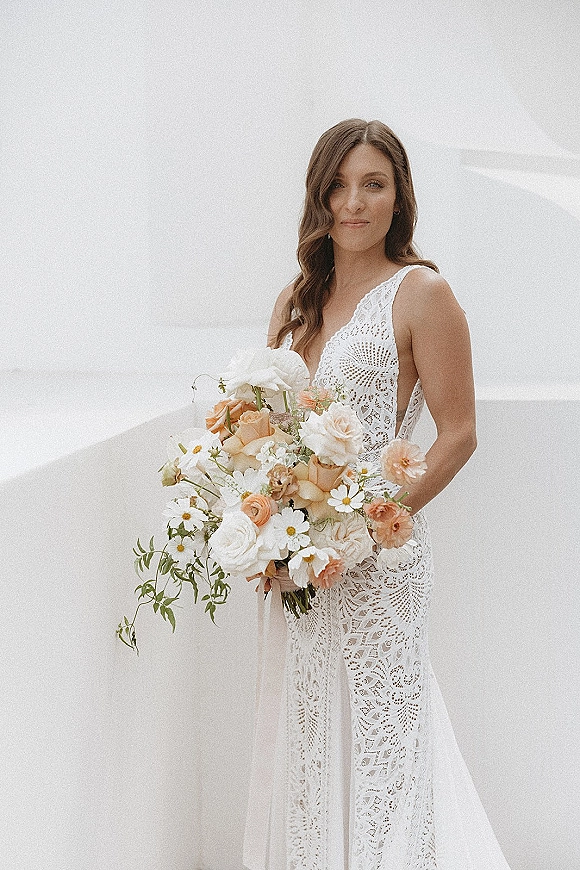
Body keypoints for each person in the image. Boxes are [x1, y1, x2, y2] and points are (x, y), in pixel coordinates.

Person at [243, 119, 511, 870]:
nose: (352, 203)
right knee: (307, 741)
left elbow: (457, 433)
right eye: (337, 185)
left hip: (377, 567)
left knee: (385, 750)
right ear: (317, 197)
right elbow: (263, 430)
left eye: (373, 184)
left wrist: (361, 529)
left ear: (399, 198)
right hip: (295, 567)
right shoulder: (295, 299)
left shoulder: (422, 292)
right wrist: (263, 528)